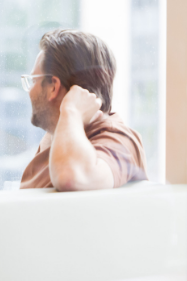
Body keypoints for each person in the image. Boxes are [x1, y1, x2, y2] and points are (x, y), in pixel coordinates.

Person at [20, 29, 148, 191]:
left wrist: (72, 110)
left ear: (53, 86)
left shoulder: (120, 140)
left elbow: (68, 177)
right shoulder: (58, 135)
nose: (30, 90)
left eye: (33, 80)